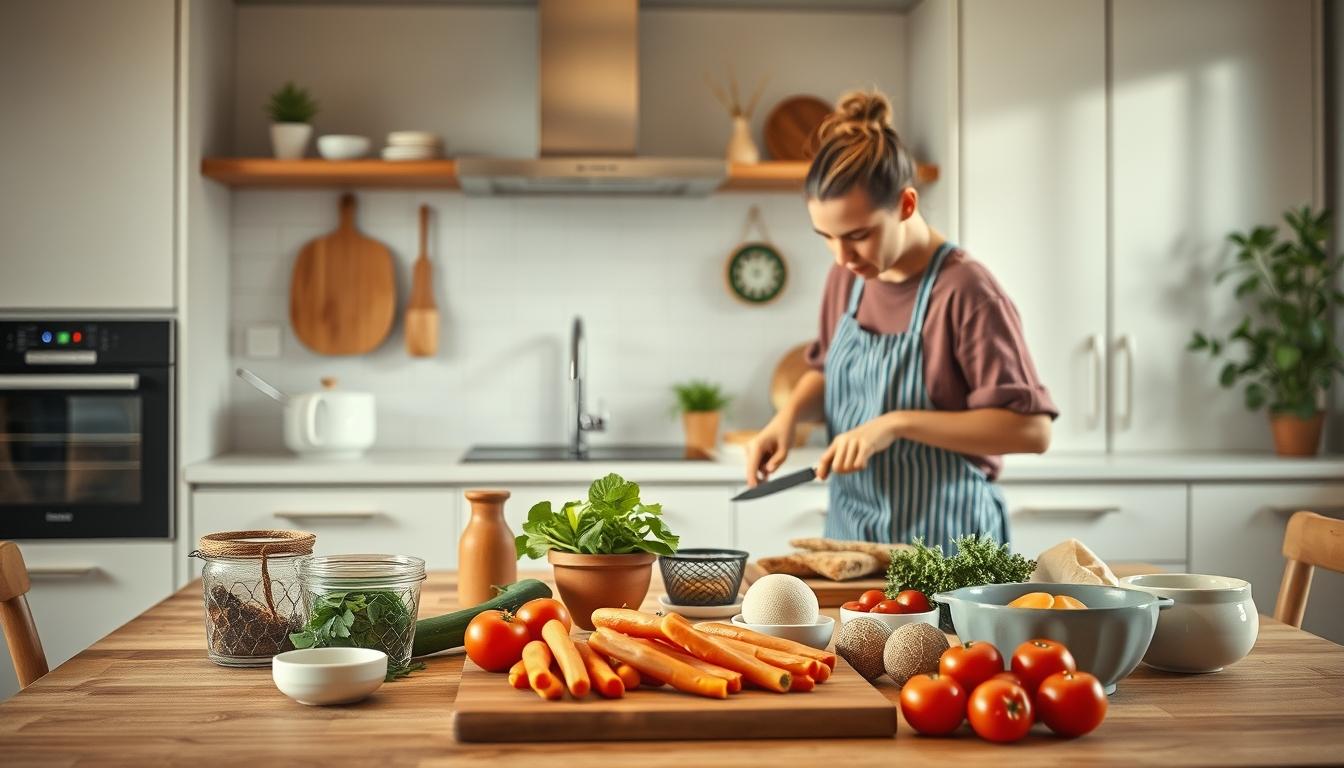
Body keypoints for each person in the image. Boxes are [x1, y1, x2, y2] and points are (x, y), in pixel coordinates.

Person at [744, 89, 1057, 551]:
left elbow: (1031, 431)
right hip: (854, 547)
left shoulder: (967, 291)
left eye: (858, 236)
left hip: (951, 550)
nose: (842, 256)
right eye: (826, 237)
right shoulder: (846, 279)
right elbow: (827, 370)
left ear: (906, 205)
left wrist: (896, 423)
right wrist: (788, 417)